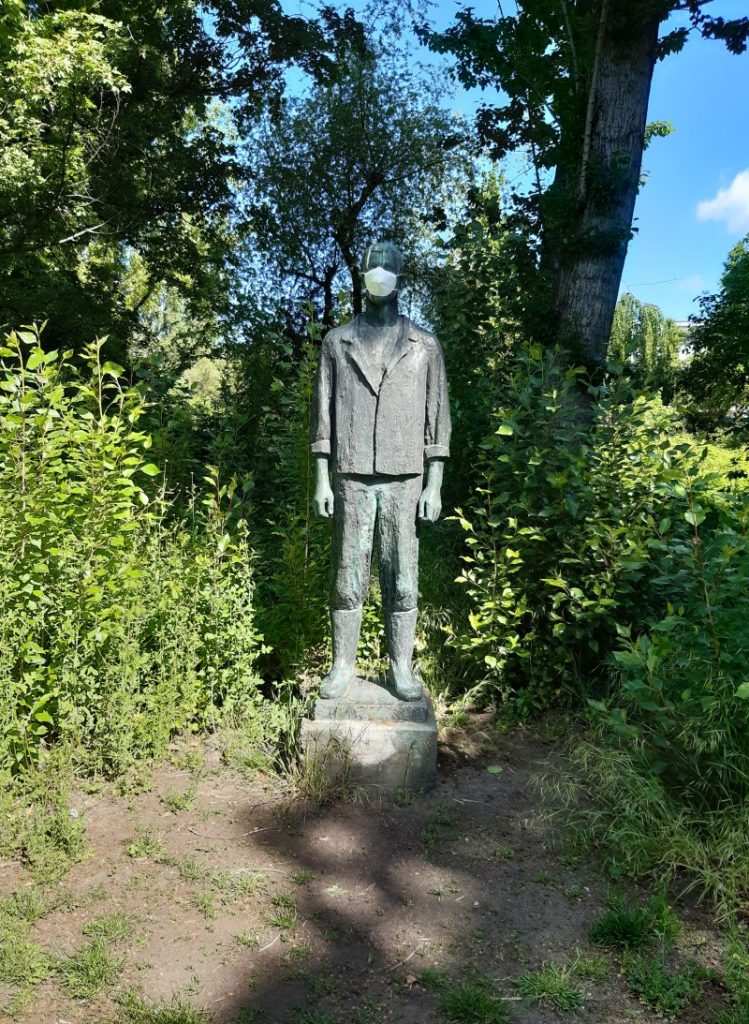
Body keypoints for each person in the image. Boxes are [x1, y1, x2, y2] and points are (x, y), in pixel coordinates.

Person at [310, 241, 451, 701]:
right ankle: (342, 666)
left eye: (389, 266)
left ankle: (400, 668)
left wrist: (434, 484)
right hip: (351, 475)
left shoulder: (424, 345)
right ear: (364, 271)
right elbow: (324, 416)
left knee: (402, 575)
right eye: (374, 264)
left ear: (400, 276)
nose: (381, 272)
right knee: (348, 573)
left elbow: (438, 417)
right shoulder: (337, 342)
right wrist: (321, 477)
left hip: (405, 477)